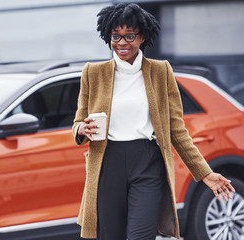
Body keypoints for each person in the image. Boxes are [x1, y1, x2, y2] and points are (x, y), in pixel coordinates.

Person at [72, 3, 235, 240]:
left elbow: (177, 130)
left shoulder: (161, 72)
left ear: (143, 36)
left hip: (147, 162)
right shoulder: (93, 73)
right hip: (108, 162)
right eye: (115, 36)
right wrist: (81, 129)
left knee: (141, 236)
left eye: (129, 36)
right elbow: (78, 121)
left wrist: (205, 173)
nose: (121, 43)